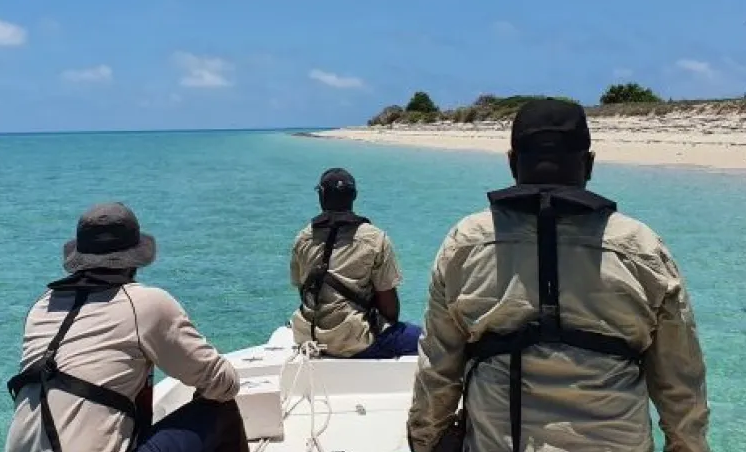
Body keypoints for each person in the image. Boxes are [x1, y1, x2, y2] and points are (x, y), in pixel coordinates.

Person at [406, 99, 711, 452]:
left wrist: (425, 441)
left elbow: (437, 370)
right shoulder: (641, 247)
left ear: (511, 163)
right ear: (590, 164)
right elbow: (682, 380)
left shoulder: (465, 242)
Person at [4, 202, 250, 452]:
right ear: (134, 258)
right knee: (220, 410)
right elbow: (223, 382)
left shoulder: (40, 307)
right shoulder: (144, 304)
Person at [289, 167, 423, 359]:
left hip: (307, 336)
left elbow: (302, 288)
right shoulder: (375, 238)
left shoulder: (302, 238)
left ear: (321, 196)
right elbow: (390, 309)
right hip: (354, 341)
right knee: (432, 340)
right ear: (354, 196)